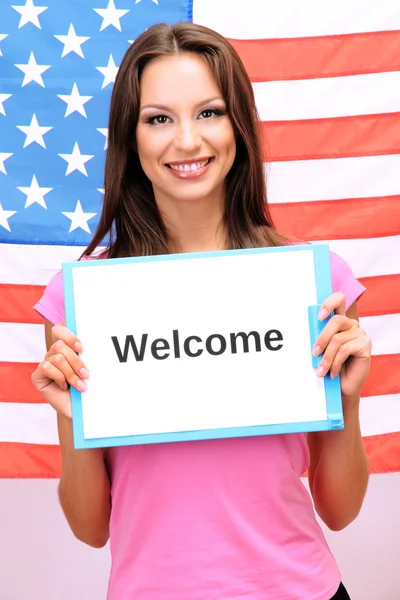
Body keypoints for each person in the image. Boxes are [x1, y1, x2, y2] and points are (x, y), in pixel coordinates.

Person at [31, 22, 371, 600]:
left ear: (239, 125)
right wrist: (73, 416)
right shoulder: (81, 301)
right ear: (129, 138)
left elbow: (339, 512)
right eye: (158, 118)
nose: (187, 140)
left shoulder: (314, 282)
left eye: (209, 112)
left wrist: (348, 399)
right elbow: (90, 528)